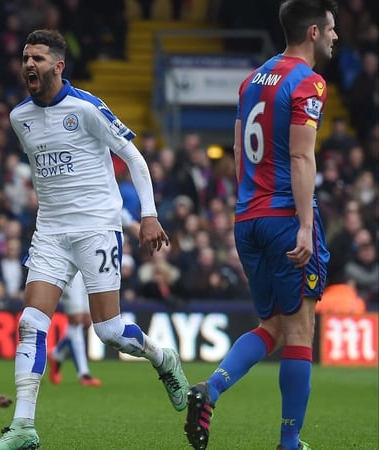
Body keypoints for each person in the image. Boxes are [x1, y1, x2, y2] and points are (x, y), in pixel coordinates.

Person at [0, 29, 189, 450]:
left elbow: (133, 156)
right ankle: (23, 428)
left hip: (97, 226)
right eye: (25, 57)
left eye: (38, 58)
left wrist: (148, 215)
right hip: (51, 231)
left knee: (109, 331)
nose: (29, 65)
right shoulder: (19, 117)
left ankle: (162, 357)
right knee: (30, 323)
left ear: (58, 66)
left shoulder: (87, 108)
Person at [183, 2, 337, 450]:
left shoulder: (252, 80)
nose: (335, 37)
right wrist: (305, 227)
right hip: (286, 217)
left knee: (269, 326)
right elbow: (301, 156)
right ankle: (289, 443)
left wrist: (251, 202)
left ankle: (209, 390)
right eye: (331, 29)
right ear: (313, 31)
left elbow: (237, 148)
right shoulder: (309, 82)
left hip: (248, 215)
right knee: (300, 332)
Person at [49, 209, 141, 387]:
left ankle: (57, 354)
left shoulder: (111, 201)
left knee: (85, 321)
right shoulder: (79, 196)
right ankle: (83, 374)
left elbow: (131, 224)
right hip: (71, 263)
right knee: (76, 319)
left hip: (95, 267)